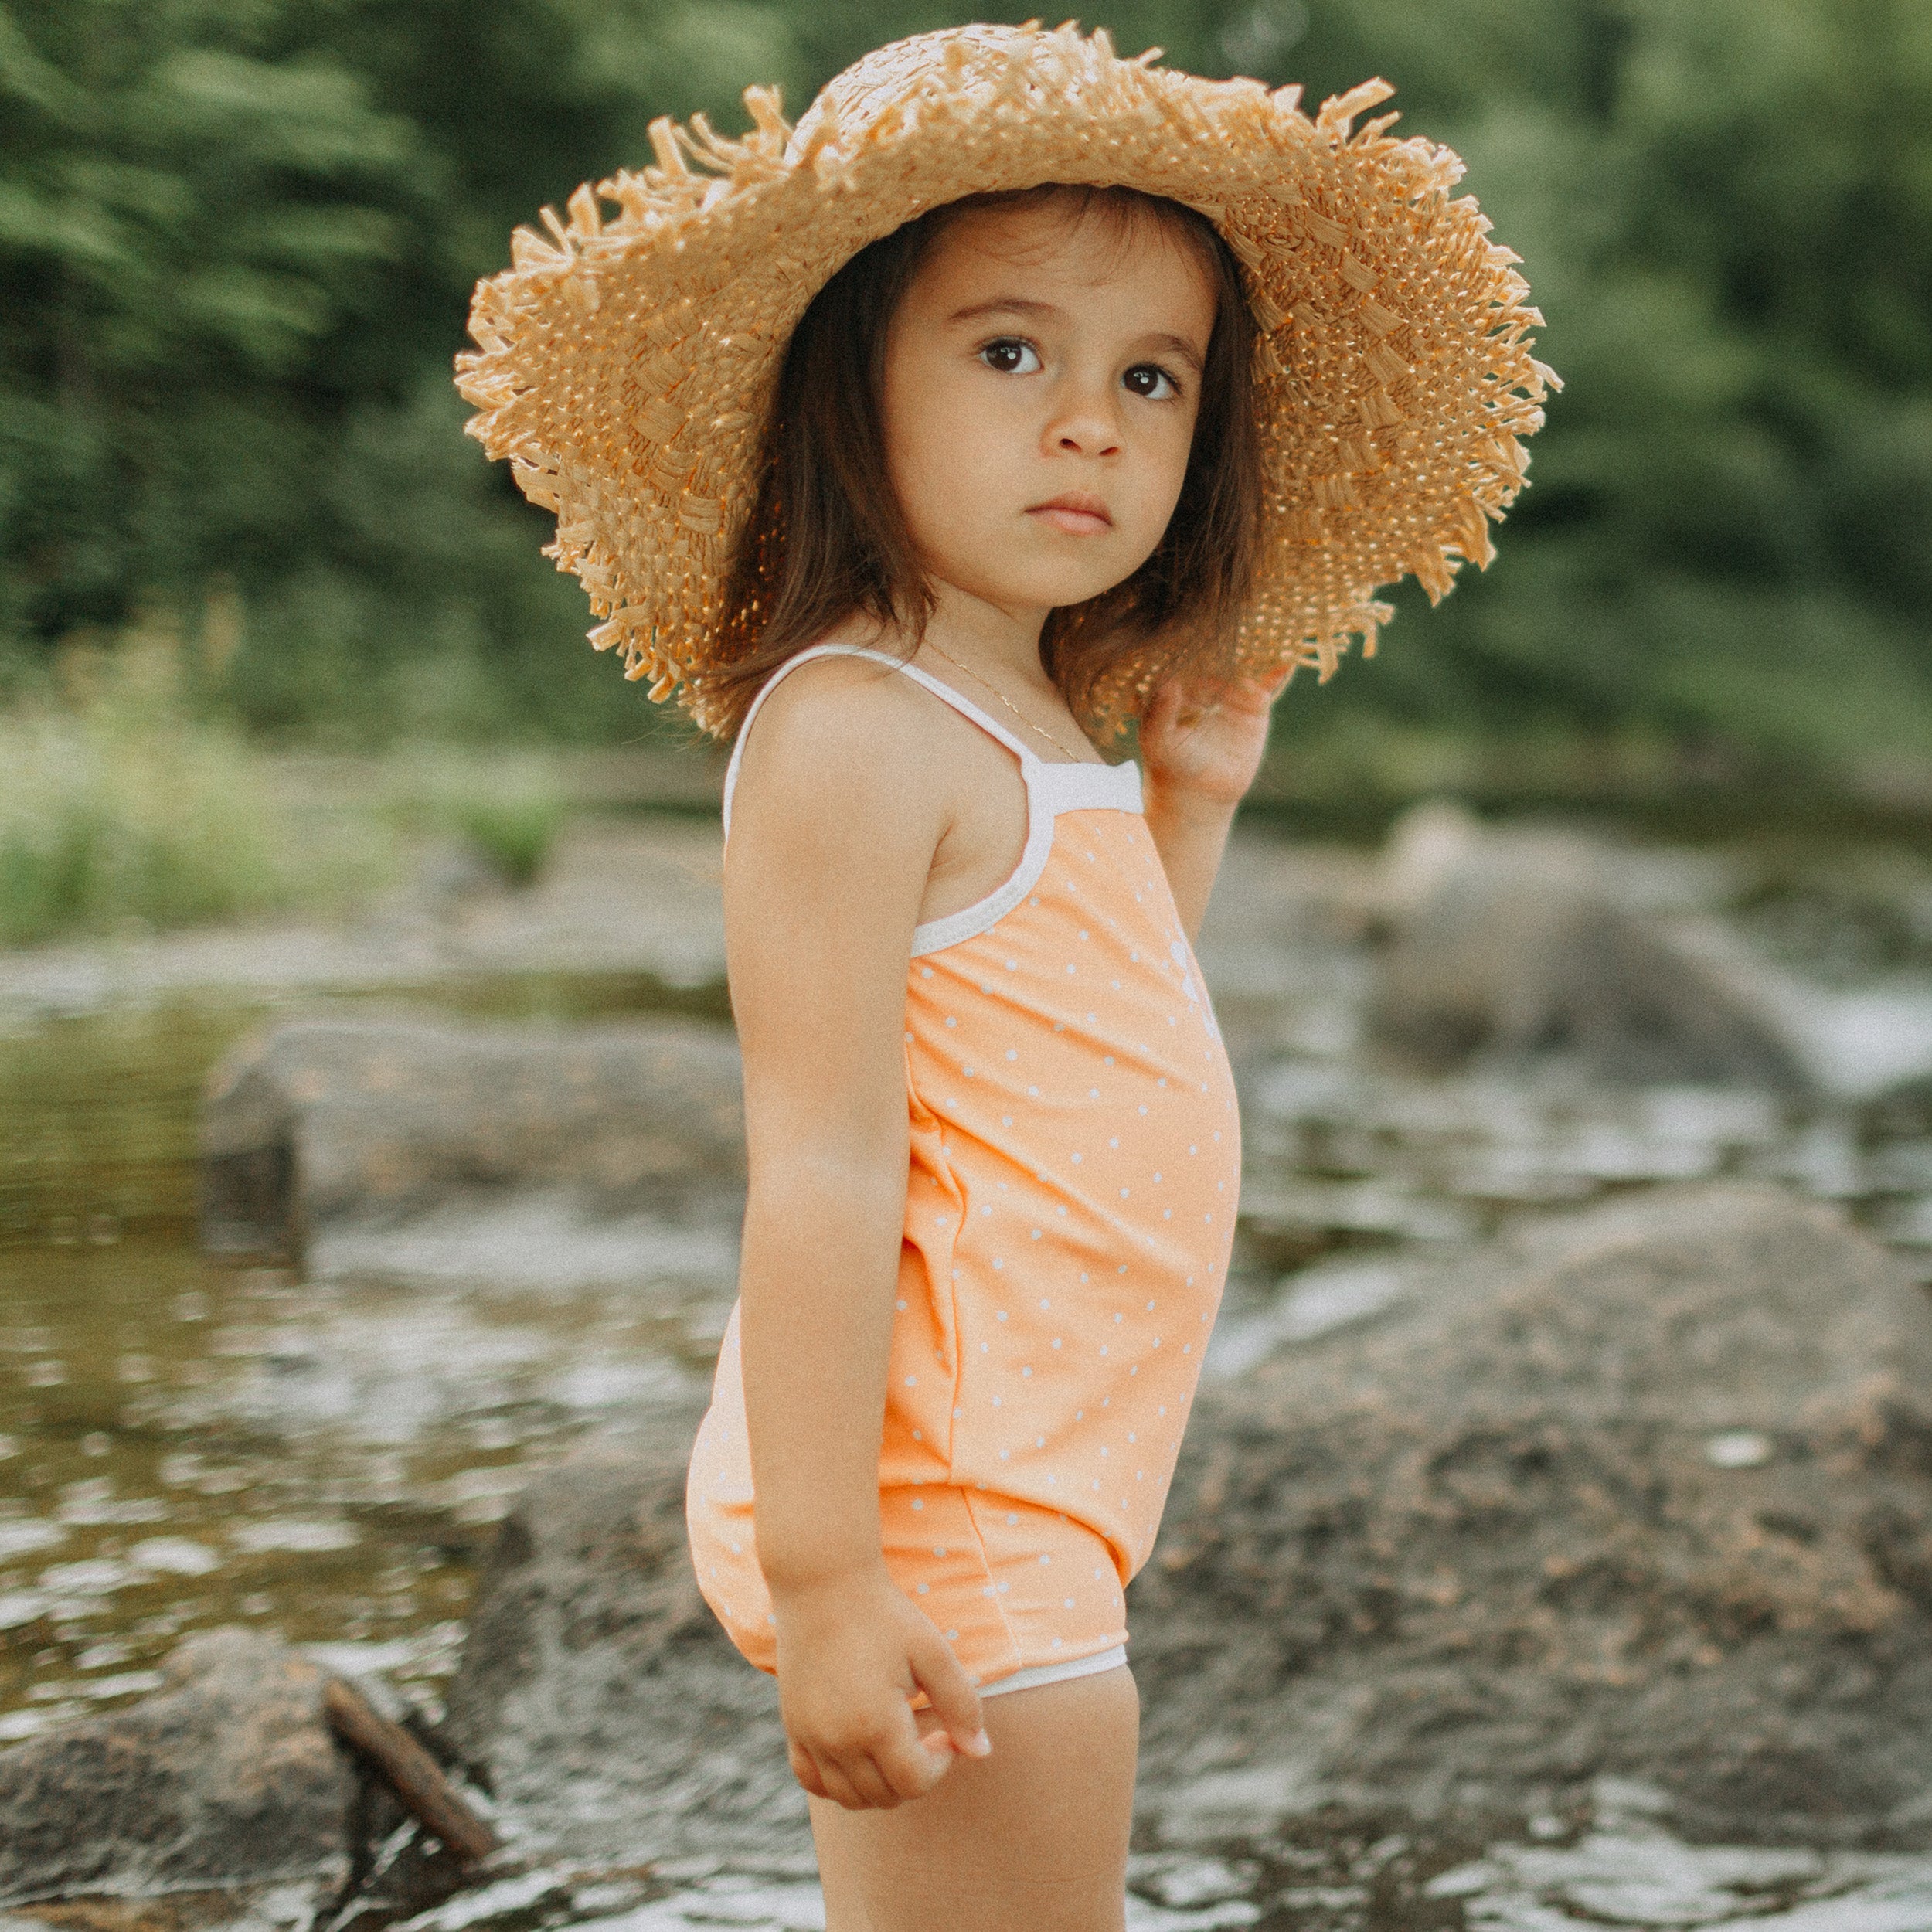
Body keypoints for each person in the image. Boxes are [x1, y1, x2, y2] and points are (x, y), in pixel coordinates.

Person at [457, 25, 1549, 1929]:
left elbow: (1076, 1054)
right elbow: (814, 1162)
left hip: (1013, 1492)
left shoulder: (1018, 709)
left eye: (1149, 375)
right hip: (930, 1516)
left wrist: (1181, 812)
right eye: (1008, 350)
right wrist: (822, 1584)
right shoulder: (854, 727)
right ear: (845, 381)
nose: (1089, 421)